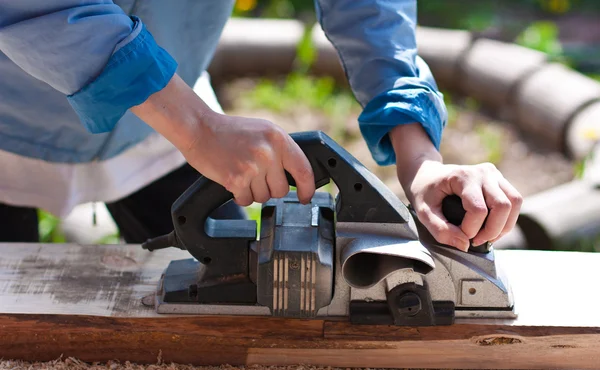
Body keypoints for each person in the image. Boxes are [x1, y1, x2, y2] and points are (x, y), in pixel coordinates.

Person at [0, 0, 521, 251]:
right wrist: (198, 128)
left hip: (162, 121)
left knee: (229, 273)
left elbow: (369, 6)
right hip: (10, 114)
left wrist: (420, 155)